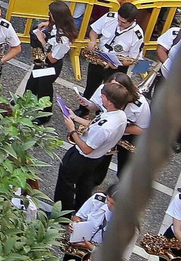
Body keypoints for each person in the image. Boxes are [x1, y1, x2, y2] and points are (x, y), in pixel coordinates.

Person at [54, 81, 129, 212]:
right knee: (84, 185)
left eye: (103, 96)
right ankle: (81, 210)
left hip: (81, 157)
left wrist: (72, 130)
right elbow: (95, 123)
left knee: (65, 184)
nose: (101, 97)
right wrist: (75, 118)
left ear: (110, 102)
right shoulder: (120, 115)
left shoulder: (105, 128)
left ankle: (61, 215)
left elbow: (86, 149)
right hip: (96, 158)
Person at [82, 2, 146, 98]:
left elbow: (132, 59)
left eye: (123, 22)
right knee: (90, 88)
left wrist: (117, 63)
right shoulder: (110, 17)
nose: (119, 23)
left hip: (116, 67)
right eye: (118, 20)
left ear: (133, 21)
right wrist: (93, 41)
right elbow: (94, 31)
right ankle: (84, 106)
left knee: (109, 95)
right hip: (99, 57)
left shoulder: (137, 35)